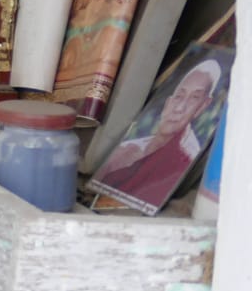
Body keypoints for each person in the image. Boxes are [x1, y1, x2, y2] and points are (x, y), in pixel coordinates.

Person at [96, 58, 225, 207]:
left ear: (203, 106)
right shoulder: (128, 147)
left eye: (194, 98)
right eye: (179, 96)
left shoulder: (186, 156)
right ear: (168, 101)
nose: (179, 108)